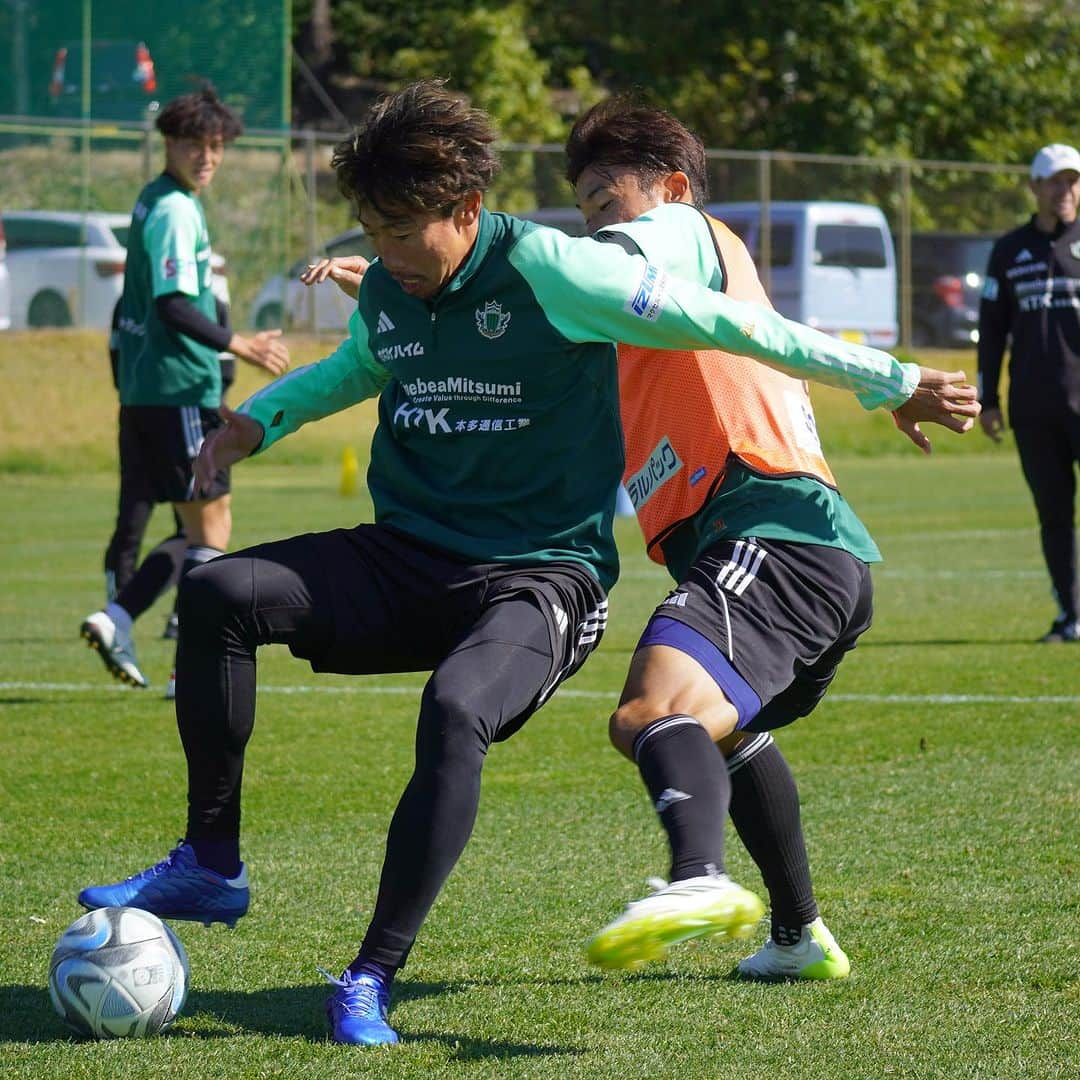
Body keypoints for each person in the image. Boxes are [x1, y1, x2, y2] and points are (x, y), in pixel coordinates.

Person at [75, 80, 978, 1048]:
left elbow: (731, 325)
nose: (386, 257)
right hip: (409, 556)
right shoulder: (390, 282)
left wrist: (892, 381)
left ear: (466, 210)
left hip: (539, 578)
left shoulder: (559, 268)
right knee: (218, 591)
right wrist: (262, 418)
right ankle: (212, 860)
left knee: (459, 709)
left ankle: (369, 976)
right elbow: (363, 365)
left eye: (405, 232)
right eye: (373, 233)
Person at [562, 97, 973, 978]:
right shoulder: (642, 318)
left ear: (669, 189)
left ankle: (699, 877)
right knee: (719, 730)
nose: (593, 229)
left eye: (604, 203)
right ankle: (798, 937)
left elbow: (611, 263)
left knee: (654, 711)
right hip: (783, 548)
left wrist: (508, 262)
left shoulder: (684, 231)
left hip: (774, 531)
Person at [80, 86, 290, 693]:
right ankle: (184, 664)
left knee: (193, 528)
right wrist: (239, 343)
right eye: (193, 144)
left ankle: (118, 616)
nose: (206, 155)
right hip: (179, 389)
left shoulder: (153, 201)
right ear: (169, 144)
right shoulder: (174, 209)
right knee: (212, 530)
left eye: (215, 145)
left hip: (149, 390)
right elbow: (173, 304)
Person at [978, 142, 1080, 643]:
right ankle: (1071, 616)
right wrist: (989, 400)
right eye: (1056, 181)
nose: (1066, 190)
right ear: (1035, 187)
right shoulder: (1008, 251)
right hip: (1035, 410)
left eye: (1073, 181)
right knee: (1055, 517)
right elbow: (992, 329)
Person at [103, 295, 237, 648]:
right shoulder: (180, 295)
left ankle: (121, 616)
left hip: (141, 411)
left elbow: (226, 368)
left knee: (186, 531)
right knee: (206, 531)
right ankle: (124, 619)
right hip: (184, 408)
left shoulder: (203, 303)